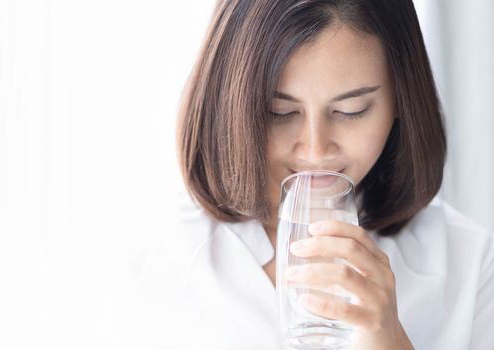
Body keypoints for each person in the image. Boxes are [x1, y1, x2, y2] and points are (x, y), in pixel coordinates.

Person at [141, 1, 494, 349]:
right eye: (278, 112)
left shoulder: (468, 262)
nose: (315, 151)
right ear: (231, 105)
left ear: (402, 100)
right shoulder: (160, 261)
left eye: (350, 110)